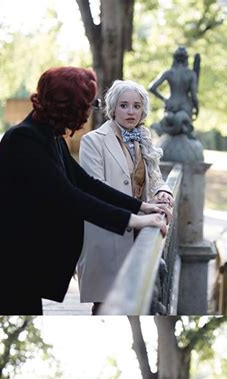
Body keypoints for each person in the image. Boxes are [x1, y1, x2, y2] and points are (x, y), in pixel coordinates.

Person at [0, 66, 171, 315]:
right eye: (88, 103)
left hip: (22, 259)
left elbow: (85, 182)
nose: (91, 109)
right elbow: (69, 197)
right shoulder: (25, 140)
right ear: (68, 106)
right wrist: (134, 220)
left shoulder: (50, 136)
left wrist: (140, 206)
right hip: (4, 259)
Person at [77, 79, 174, 314]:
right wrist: (139, 208)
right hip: (107, 231)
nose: (130, 111)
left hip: (141, 232)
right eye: (124, 105)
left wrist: (163, 191)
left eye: (136, 106)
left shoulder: (144, 137)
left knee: (136, 299)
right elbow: (95, 189)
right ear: (112, 108)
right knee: (105, 305)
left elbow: (155, 177)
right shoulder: (92, 141)